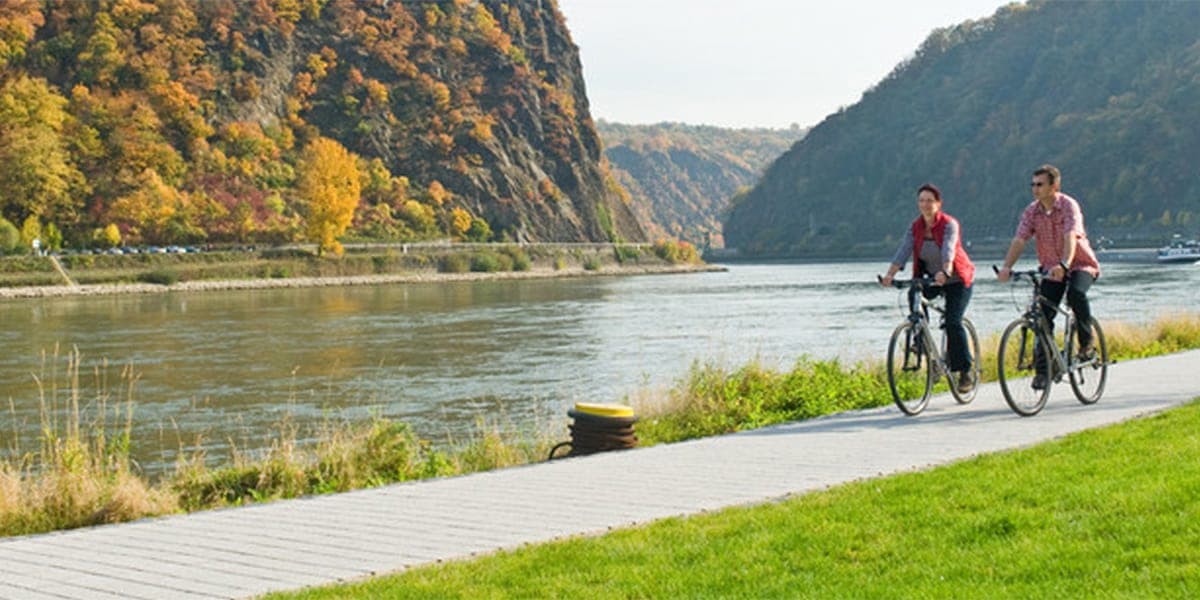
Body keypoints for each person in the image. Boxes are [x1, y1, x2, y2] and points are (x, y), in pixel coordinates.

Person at [996, 164, 1100, 390]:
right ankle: (1043, 370)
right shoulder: (1031, 211)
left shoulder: (1068, 206)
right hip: (1051, 269)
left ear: (1054, 186)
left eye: (1040, 184)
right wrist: (1006, 267)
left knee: (1076, 294)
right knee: (1042, 316)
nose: (1035, 189)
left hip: (1080, 264)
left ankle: (1086, 344)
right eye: (1033, 185)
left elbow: (1070, 236)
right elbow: (1020, 239)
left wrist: (1065, 264)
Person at [881, 183, 977, 393]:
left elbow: (949, 249)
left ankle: (965, 371)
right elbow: (904, 250)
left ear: (938, 204)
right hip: (931, 278)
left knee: (952, 322)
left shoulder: (949, 224)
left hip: (957, 279)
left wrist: (946, 270)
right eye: (922, 200)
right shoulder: (915, 227)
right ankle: (921, 339)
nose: (925, 204)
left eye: (930, 201)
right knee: (914, 293)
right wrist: (890, 275)